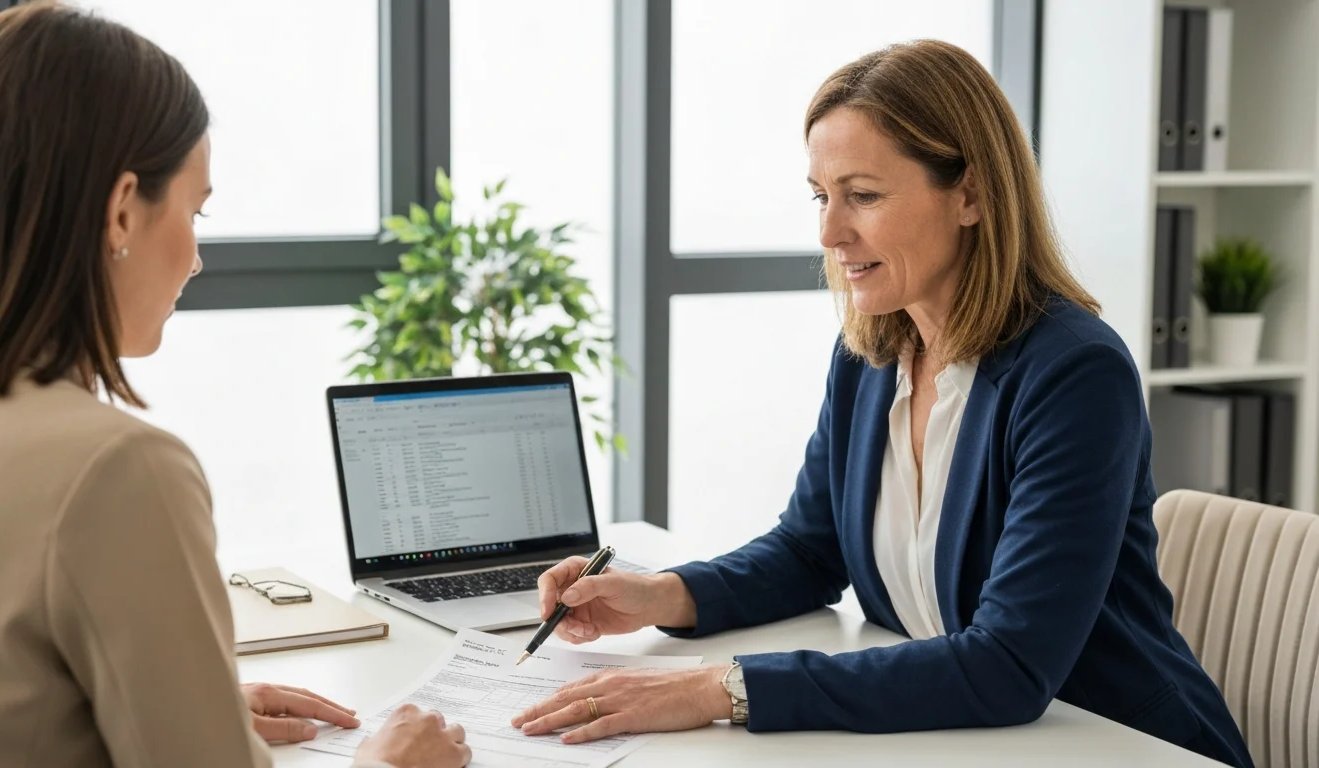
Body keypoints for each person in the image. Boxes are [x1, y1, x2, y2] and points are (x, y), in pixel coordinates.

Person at [510, 40, 1253, 768]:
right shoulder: (869, 356)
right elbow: (809, 551)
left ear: (970, 195)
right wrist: (656, 595)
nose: (830, 233)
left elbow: (1009, 668)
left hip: (1116, 743)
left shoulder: (1075, 374)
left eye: (862, 196)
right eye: (821, 197)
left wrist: (720, 689)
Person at [0, 4, 468, 767]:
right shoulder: (114, 470)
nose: (197, 258)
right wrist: (387, 763)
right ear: (119, 213)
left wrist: (192, 705)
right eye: (194, 211)